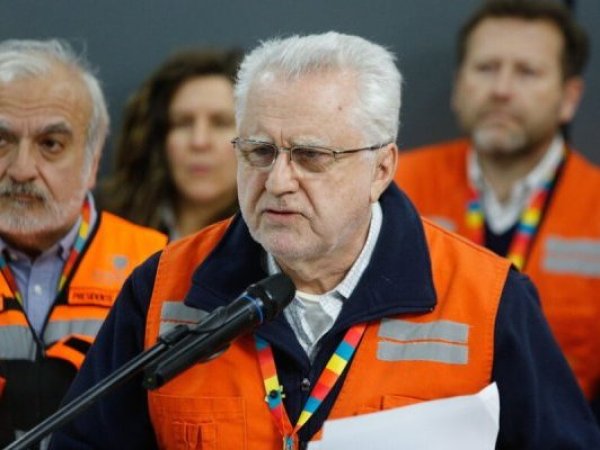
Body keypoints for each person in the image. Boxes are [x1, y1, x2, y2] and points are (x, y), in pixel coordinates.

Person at [51, 32, 600, 450]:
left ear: (382, 168)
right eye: (259, 152)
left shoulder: (489, 298)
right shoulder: (160, 289)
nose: (278, 181)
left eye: (311, 156)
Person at [395, 0, 600, 402]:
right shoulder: (395, 185)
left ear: (569, 98)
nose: (501, 90)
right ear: (458, 86)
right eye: (486, 68)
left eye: (527, 72)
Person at [0, 39, 168, 446]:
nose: (21, 169)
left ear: (93, 161)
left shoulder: (159, 265)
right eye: (1, 141)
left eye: (50, 144)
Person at [99, 48, 242, 240]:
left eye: (220, 123)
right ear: (158, 138)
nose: (199, 141)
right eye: (183, 123)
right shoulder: (102, 226)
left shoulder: (271, 243)